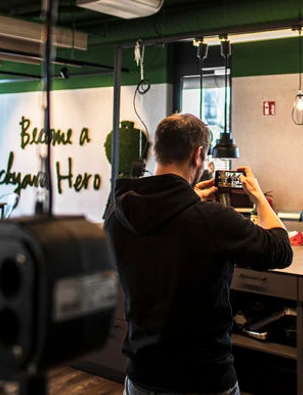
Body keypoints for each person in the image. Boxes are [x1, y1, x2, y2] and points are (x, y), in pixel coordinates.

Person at [105, 113, 293, 395]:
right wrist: (258, 198)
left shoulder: (118, 212)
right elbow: (280, 250)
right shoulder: (213, 218)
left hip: (140, 376)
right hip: (202, 379)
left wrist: (188, 197)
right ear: (198, 155)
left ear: (158, 151)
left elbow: (163, 232)